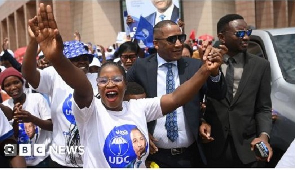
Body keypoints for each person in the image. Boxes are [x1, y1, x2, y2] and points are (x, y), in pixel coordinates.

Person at [27, 3, 225, 168]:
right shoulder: (90, 112)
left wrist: (205, 71)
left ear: (126, 83)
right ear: (97, 85)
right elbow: (83, 89)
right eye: (103, 80)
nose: (110, 83)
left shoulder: (139, 107)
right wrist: (58, 59)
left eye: (117, 79)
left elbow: (176, 98)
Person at [126, 20, 227, 168]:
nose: (179, 44)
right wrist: (138, 130)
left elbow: (218, 94)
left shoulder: (194, 66)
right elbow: (123, 104)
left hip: (190, 156)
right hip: (153, 157)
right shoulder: (140, 67)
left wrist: (214, 73)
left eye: (181, 38)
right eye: (172, 40)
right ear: (156, 44)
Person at [22, 20, 98, 168]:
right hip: (61, 159)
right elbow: (29, 74)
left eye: (85, 58)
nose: (82, 62)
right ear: (65, 61)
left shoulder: (98, 80)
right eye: (75, 59)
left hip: (93, 159)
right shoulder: (54, 76)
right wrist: (33, 42)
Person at [202, 14, 273, 168]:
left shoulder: (261, 66)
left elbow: (264, 108)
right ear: (222, 37)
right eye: (240, 33)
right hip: (215, 147)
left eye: (248, 32)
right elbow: (198, 101)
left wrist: (263, 136)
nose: (246, 37)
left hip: (248, 148)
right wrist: (202, 121)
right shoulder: (207, 64)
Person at [0, 67, 52, 167]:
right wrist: (15, 119)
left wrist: (32, 119)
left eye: (16, 82)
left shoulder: (37, 99)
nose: (13, 87)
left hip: (43, 159)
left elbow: (51, 126)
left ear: (23, 82)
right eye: (7, 85)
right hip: (21, 162)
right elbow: (11, 137)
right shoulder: (6, 107)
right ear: (3, 89)